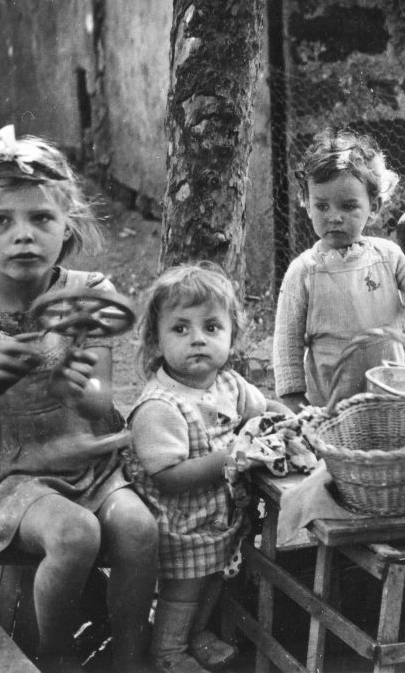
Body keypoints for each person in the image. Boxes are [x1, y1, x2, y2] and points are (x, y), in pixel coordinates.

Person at [0, 126, 158, 673]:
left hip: (88, 462)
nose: (22, 235)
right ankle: (57, 655)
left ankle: (130, 652)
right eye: (1, 221)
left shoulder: (89, 293)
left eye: (41, 219)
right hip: (9, 480)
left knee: (138, 528)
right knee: (75, 533)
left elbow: (101, 397)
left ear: (67, 227)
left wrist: (86, 386)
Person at [128, 263, 292, 673]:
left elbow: (264, 407)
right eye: (180, 329)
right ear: (156, 340)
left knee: (216, 577)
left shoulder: (228, 383)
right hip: (180, 518)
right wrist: (229, 457)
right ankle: (167, 651)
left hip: (219, 515)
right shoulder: (160, 405)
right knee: (183, 588)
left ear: (231, 336)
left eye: (212, 328)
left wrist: (286, 418)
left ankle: (195, 635)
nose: (198, 339)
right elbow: (166, 477)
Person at [273, 128, 405, 412]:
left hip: (388, 395)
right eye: (322, 206)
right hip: (329, 405)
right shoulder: (303, 271)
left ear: (374, 206)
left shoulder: (386, 255)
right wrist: (295, 400)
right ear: (307, 205)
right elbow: (287, 342)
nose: (335, 217)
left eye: (348, 205)